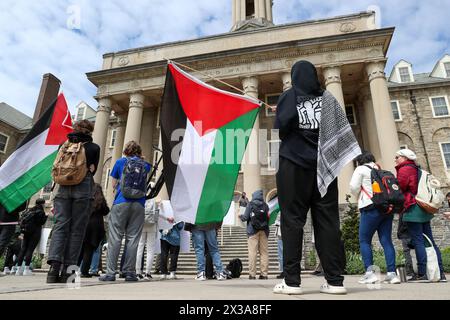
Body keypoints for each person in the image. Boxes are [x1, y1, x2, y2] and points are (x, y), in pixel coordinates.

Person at [273, 60, 361, 295]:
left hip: (293, 165)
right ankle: (335, 281)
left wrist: (282, 112)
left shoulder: (289, 96)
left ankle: (291, 282)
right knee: (328, 222)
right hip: (324, 165)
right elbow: (338, 131)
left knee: (292, 221)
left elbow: (281, 128)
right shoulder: (328, 98)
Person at [47, 120, 100, 284]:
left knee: (60, 226)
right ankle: (68, 273)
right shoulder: (93, 148)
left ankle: (53, 269)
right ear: (90, 131)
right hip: (82, 188)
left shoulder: (64, 145)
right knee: (77, 229)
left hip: (62, 187)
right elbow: (93, 170)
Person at [100, 141, 151, 282]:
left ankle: (110, 273)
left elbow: (114, 183)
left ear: (126, 151)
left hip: (121, 202)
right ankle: (129, 273)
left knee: (115, 238)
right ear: (139, 152)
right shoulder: (145, 165)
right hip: (139, 204)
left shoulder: (120, 162)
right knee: (133, 239)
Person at [395, 149, 446, 282]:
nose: (395, 159)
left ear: (404, 158)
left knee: (418, 240)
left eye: (397, 157)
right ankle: (440, 272)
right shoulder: (418, 168)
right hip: (423, 207)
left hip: (412, 208)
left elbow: (400, 187)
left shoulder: (404, 169)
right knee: (429, 240)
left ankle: (422, 272)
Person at [349, 151, 401, 285]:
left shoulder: (360, 169)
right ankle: (392, 274)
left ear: (360, 161)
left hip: (370, 206)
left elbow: (353, 187)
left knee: (364, 240)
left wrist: (358, 193)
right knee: (386, 241)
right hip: (386, 208)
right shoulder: (380, 169)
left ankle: (370, 273)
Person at [78, 184, 109, 278]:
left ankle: (72, 270)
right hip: (96, 228)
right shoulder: (100, 201)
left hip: (84, 225)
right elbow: (106, 211)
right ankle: (84, 271)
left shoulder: (86, 198)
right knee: (89, 251)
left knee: (80, 251)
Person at [240, 190, 270, 280]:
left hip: (253, 231)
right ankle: (264, 274)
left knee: (252, 253)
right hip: (264, 231)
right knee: (264, 253)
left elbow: (245, 217)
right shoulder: (265, 205)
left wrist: (240, 216)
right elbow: (268, 218)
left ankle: (252, 275)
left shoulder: (251, 204)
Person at [15, 198, 48, 276]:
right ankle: (26, 269)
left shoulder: (30, 210)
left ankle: (18, 270)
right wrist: (46, 216)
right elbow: (41, 222)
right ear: (42, 204)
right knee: (30, 250)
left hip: (26, 232)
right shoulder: (41, 211)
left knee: (23, 250)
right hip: (35, 233)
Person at [274, 213, 284, 279]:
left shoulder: (281, 212)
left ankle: (283, 271)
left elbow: (277, 223)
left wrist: (277, 222)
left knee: (281, 254)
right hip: (288, 233)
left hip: (281, 234)